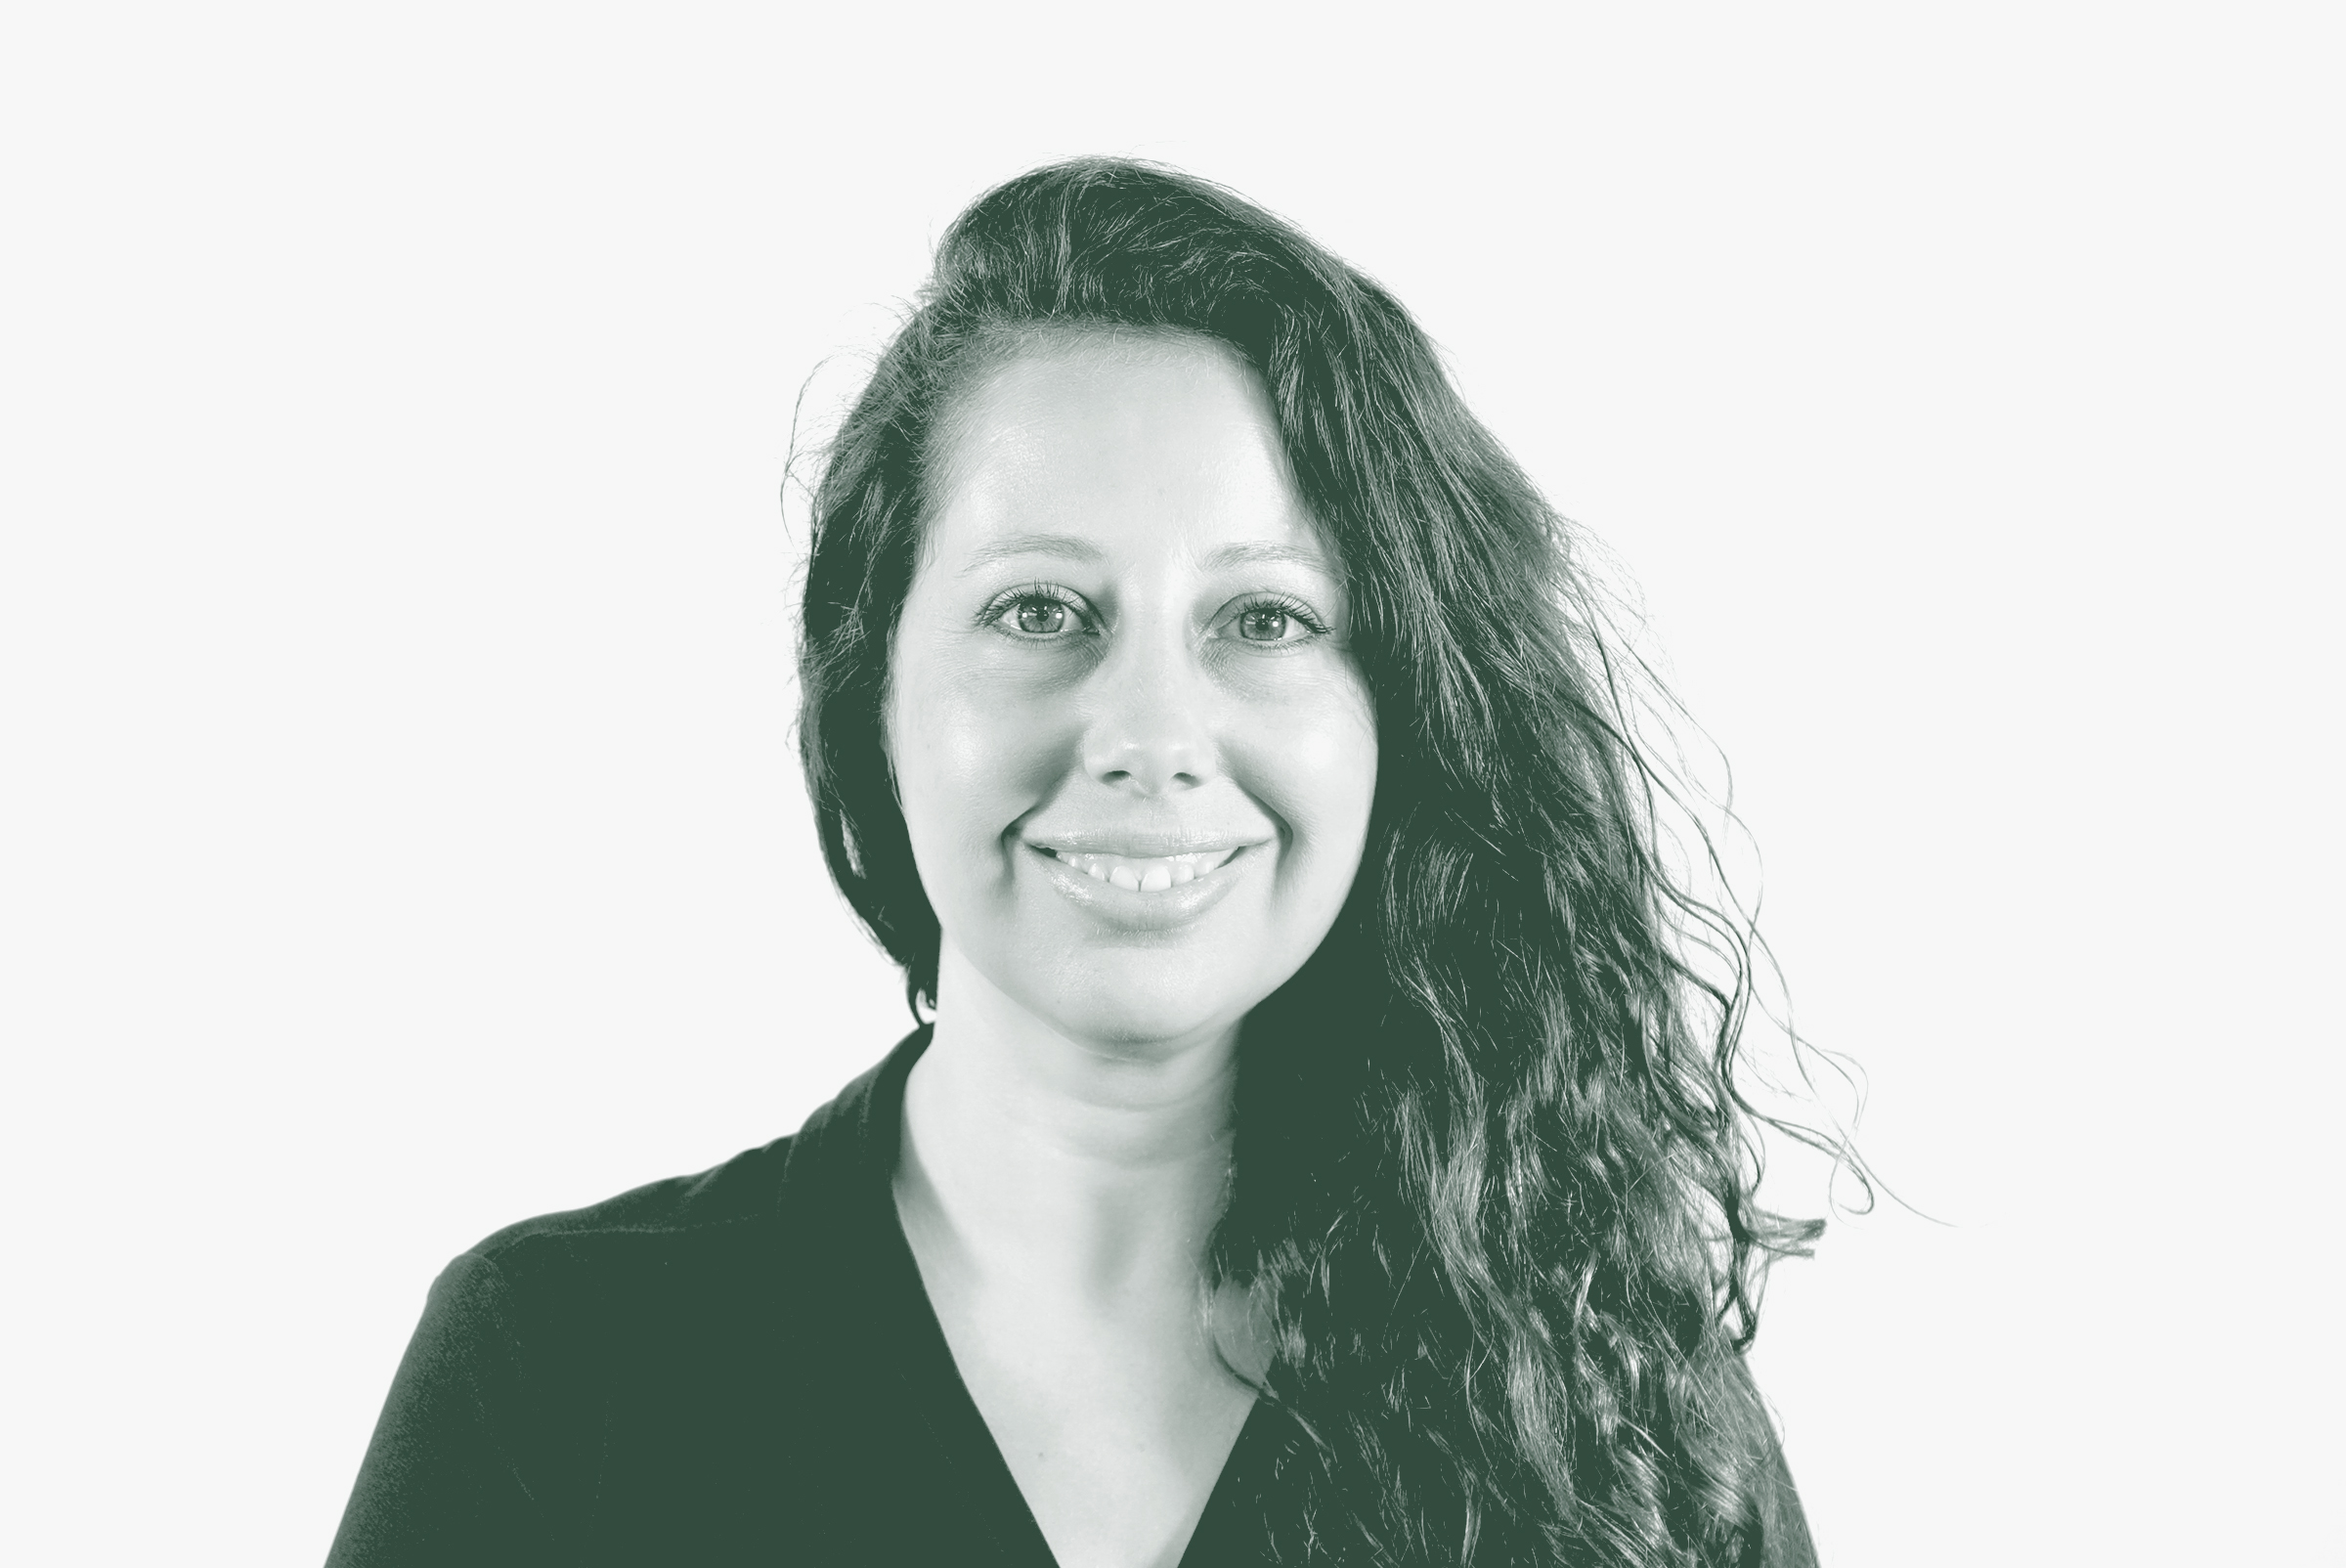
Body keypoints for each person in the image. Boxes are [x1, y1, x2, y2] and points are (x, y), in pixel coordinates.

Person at [327, 157, 1828, 1568]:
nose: (1152, 735)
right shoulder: (559, 1373)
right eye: (1041, 612)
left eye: (1269, 620)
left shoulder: (1612, 1406)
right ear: (874, 690)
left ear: (1401, 713)